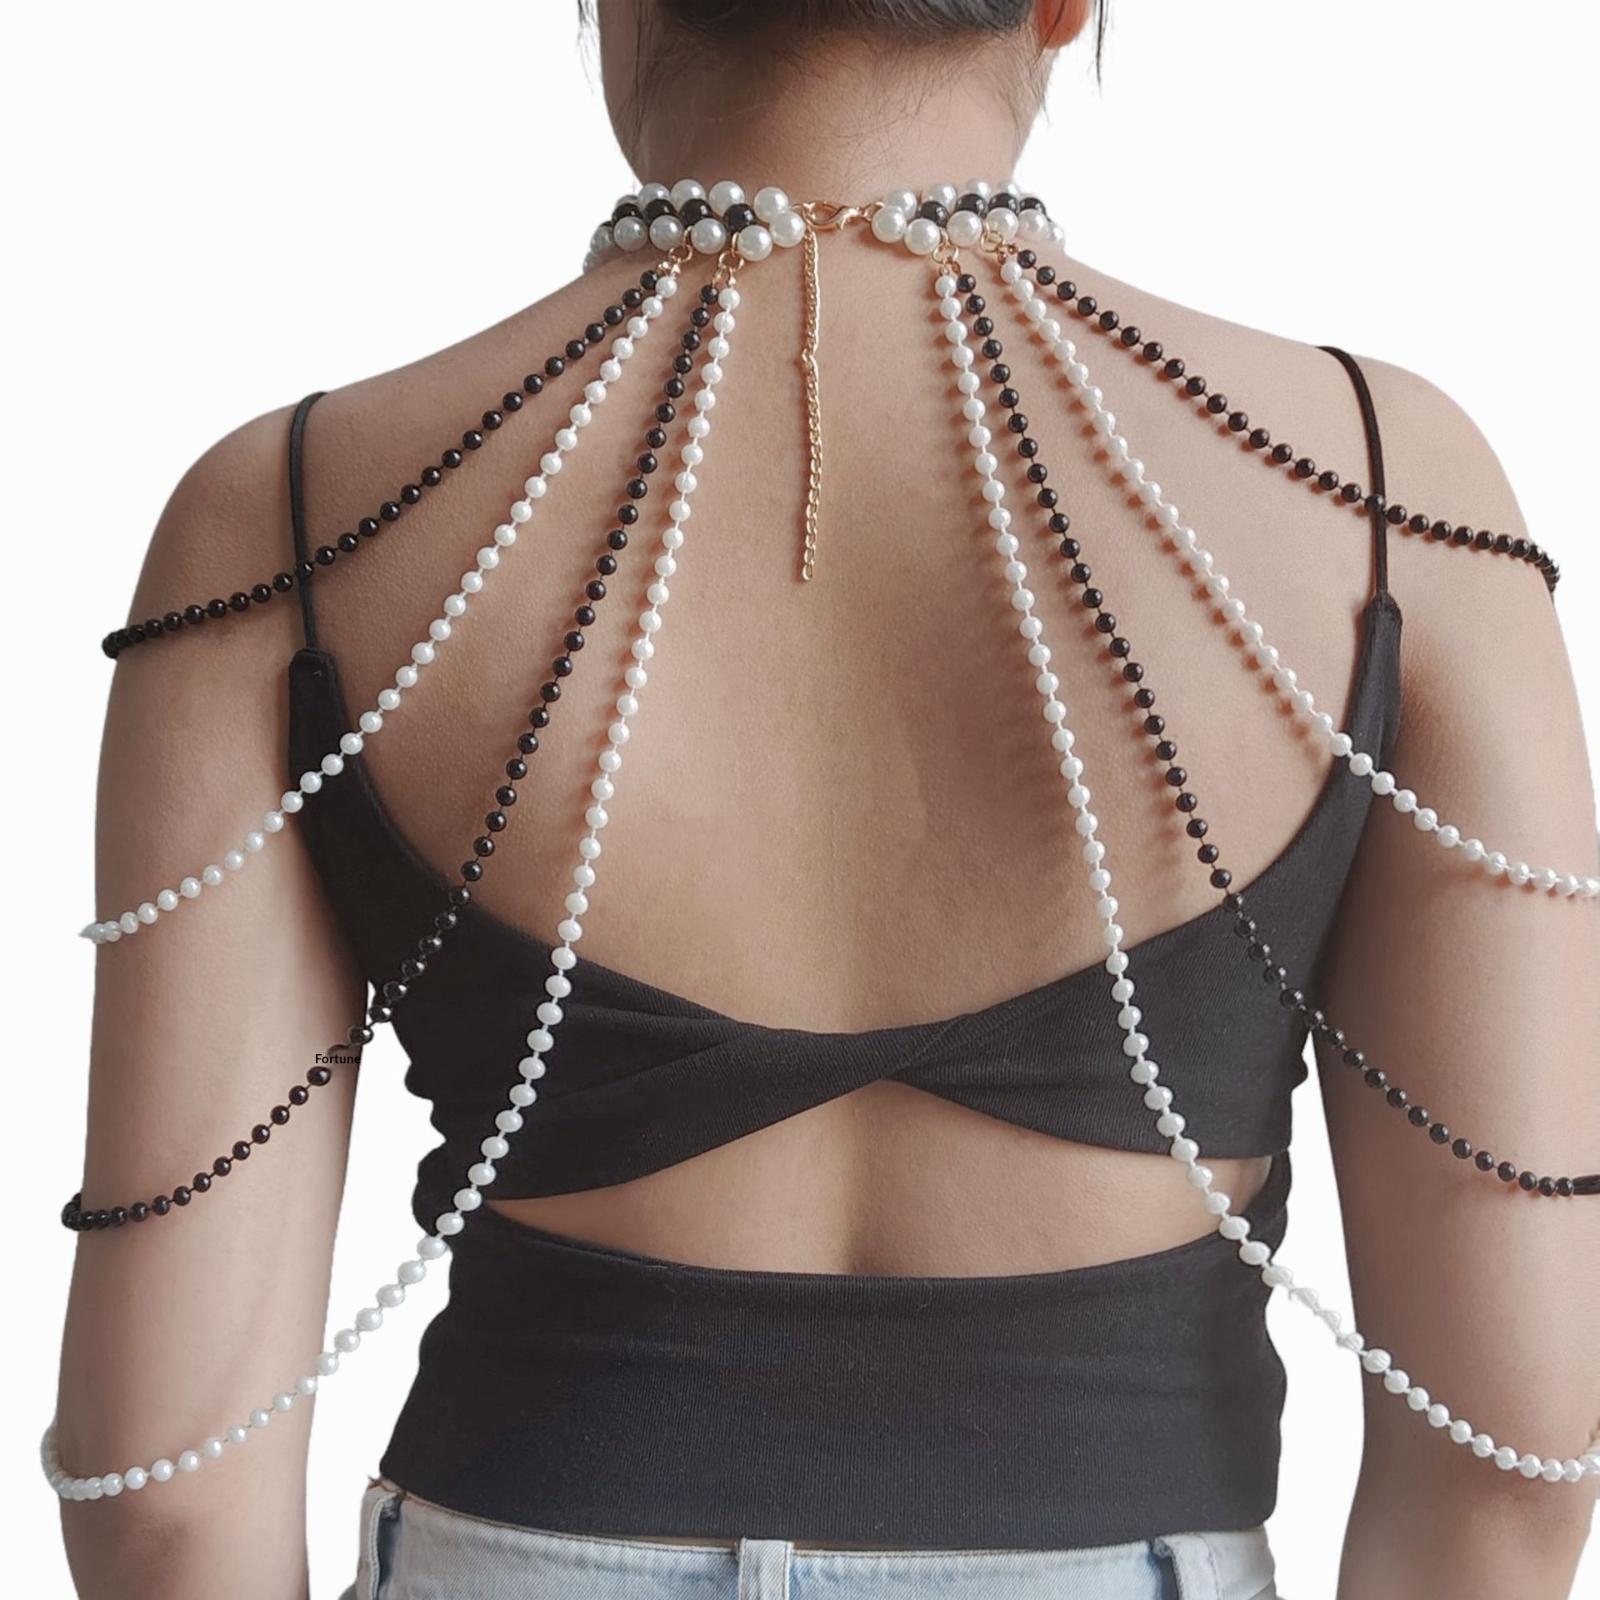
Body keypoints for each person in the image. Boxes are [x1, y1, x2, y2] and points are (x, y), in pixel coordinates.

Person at [50, 2, 1599, 1596]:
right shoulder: (1383, 502)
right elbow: (1517, 1461)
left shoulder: (295, 525)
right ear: (1065, 5)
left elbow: (163, 1491)